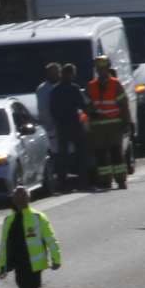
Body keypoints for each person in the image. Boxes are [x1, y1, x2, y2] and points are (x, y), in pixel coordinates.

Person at [0, 186, 61, 288]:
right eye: (17, 197)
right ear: (13, 200)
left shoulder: (38, 217)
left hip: (34, 266)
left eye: (23, 196)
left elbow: (50, 238)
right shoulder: (9, 220)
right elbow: (4, 246)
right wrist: (2, 266)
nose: (20, 199)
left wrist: (56, 258)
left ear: (28, 199)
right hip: (18, 266)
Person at [86, 55, 132, 190]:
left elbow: (124, 105)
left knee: (116, 153)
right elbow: (87, 104)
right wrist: (90, 113)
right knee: (101, 155)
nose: (101, 71)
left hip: (114, 125)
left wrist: (126, 122)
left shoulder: (115, 84)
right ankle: (105, 180)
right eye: (98, 69)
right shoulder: (91, 86)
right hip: (98, 126)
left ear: (107, 68)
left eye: (103, 68)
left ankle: (121, 180)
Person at [48, 63, 90, 192]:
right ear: (70, 74)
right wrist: (91, 114)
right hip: (74, 124)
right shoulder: (74, 88)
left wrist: (58, 120)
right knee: (81, 153)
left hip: (62, 126)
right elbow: (82, 105)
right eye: (72, 73)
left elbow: (52, 109)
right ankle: (83, 181)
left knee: (63, 156)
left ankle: (63, 183)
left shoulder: (55, 90)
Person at [34, 62, 61, 138]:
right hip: (48, 129)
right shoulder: (41, 89)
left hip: (64, 127)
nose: (54, 75)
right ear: (47, 74)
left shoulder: (65, 87)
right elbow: (42, 109)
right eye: (51, 73)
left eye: (56, 72)